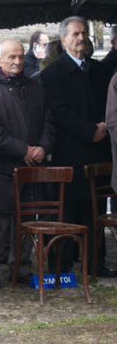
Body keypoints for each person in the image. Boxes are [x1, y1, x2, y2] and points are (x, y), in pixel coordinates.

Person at [40, 16, 117, 278]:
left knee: (94, 210)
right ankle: (60, 267)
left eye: (84, 33)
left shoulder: (101, 71)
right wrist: (88, 131)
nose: (81, 38)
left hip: (98, 153)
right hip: (70, 153)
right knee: (67, 210)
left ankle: (95, 264)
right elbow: (58, 113)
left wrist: (103, 128)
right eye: (75, 34)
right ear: (63, 40)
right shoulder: (51, 74)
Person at [0, 40, 56, 288]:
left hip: (31, 167)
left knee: (25, 219)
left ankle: (21, 268)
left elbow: (48, 120)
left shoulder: (35, 86)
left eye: (21, 57)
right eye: (11, 57)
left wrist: (42, 148)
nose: (18, 62)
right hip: (1, 166)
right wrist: (23, 150)